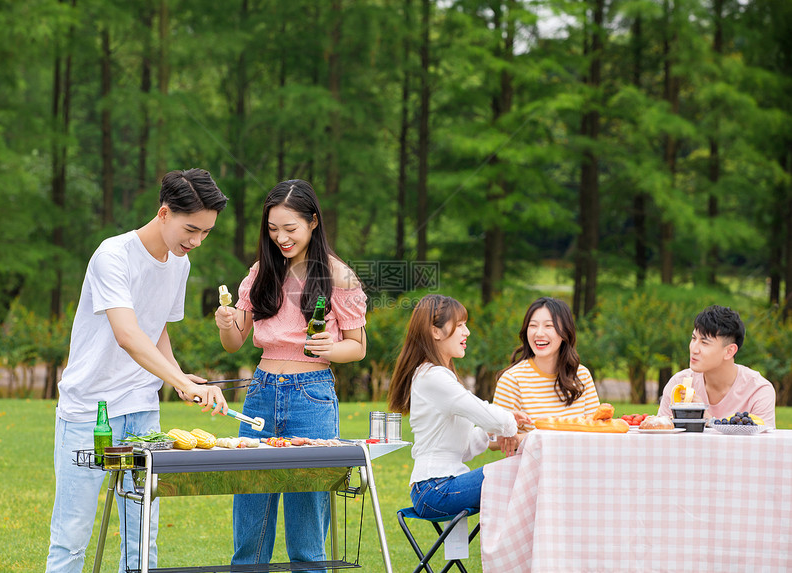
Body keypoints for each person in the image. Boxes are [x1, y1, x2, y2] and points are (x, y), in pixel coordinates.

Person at [45, 169, 230, 573]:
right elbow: (128, 334)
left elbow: (155, 326)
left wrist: (179, 379)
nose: (197, 241)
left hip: (144, 410)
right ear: (165, 213)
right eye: (191, 229)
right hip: (90, 413)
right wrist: (178, 380)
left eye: (206, 232)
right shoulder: (113, 255)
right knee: (73, 537)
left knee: (142, 538)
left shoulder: (179, 264)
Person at [214, 179, 367, 568]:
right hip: (261, 393)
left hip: (311, 395)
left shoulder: (338, 275)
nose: (280, 237)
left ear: (313, 222)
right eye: (272, 228)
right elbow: (235, 342)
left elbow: (358, 346)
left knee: (307, 518)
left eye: (290, 228)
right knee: (251, 512)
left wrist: (332, 348)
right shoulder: (261, 271)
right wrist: (225, 322)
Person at [387, 294, 530, 518]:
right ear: (436, 331)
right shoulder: (433, 377)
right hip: (435, 489)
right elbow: (482, 411)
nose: (467, 332)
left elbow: (462, 449)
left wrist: (496, 429)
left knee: (525, 472)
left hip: (440, 485)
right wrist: (507, 423)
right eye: (460, 325)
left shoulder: (436, 375)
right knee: (526, 471)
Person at [492, 297, 600, 450]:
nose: (539, 333)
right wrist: (545, 436)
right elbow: (493, 440)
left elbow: (598, 428)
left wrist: (535, 436)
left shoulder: (581, 375)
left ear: (565, 333)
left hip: (579, 465)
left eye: (549, 326)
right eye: (533, 326)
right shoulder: (512, 379)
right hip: (532, 468)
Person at [657, 305, 776, 426]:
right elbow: (660, 434)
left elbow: (763, 443)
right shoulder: (678, 383)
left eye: (704, 342)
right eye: (693, 338)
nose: (694, 349)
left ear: (729, 351)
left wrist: (708, 419)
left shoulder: (758, 390)